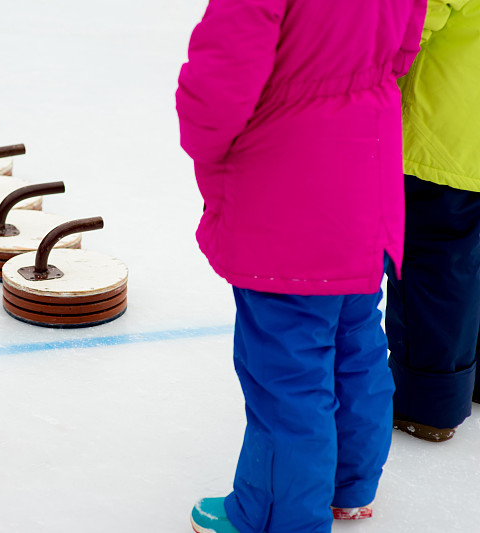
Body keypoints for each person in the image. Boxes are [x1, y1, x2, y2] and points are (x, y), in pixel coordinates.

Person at [176, 1, 425, 531]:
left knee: (286, 365)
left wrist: (207, 145)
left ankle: (275, 516)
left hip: (290, 181)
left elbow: (218, 85)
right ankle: (350, 486)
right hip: (368, 166)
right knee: (355, 337)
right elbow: (405, 46)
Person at [386, 0, 480, 443]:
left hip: (443, 138)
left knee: (430, 264)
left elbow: (411, 24)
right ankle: (468, 379)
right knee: (469, 261)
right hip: (467, 130)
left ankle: (426, 404)